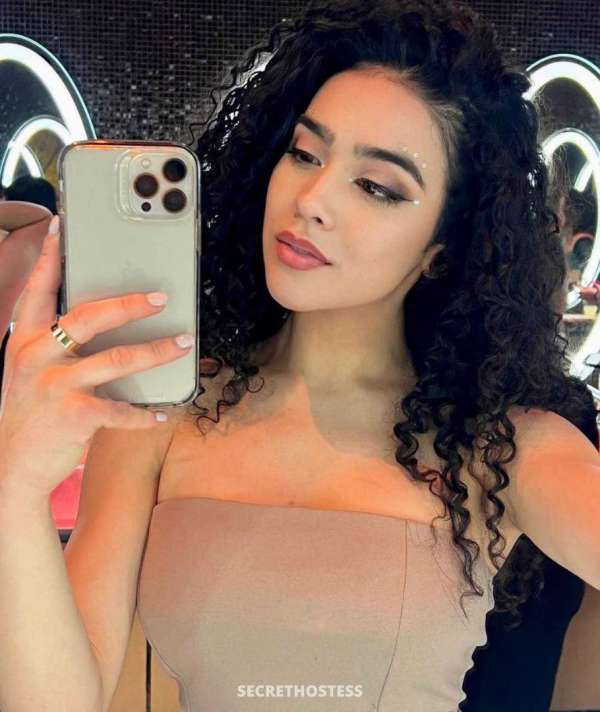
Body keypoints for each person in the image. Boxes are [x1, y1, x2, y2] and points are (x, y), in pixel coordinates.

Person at [0, 2, 599, 711]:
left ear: (442, 247)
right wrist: (16, 485)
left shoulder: (500, 448)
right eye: (305, 154)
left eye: (377, 187)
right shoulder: (165, 412)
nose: (311, 198)